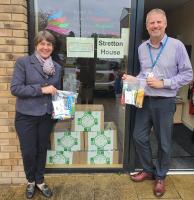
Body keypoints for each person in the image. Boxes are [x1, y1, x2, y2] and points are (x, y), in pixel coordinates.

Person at [123, 8, 193, 197]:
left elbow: (188, 74)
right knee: (138, 136)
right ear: (146, 26)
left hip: (165, 102)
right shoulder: (141, 48)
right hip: (145, 100)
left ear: (165, 24)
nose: (155, 26)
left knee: (163, 142)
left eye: (158, 22)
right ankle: (148, 170)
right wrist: (132, 80)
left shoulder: (177, 46)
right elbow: (145, 75)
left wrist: (164, 84)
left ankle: (160, 176)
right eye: (151, 23)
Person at [10, 31, 62, 199]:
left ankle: (40, 180)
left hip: (46, 116)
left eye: (49, 44)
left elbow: (55, 92)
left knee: (41, 150)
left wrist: (62, 106)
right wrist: (41, 89)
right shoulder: (23, 63)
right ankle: (30, 181)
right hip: (26, 117)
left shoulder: (57, 68)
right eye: (42, 43)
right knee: (28, 151)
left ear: (52, 48)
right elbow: (15, 88)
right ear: (36, 45)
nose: (46, 47)